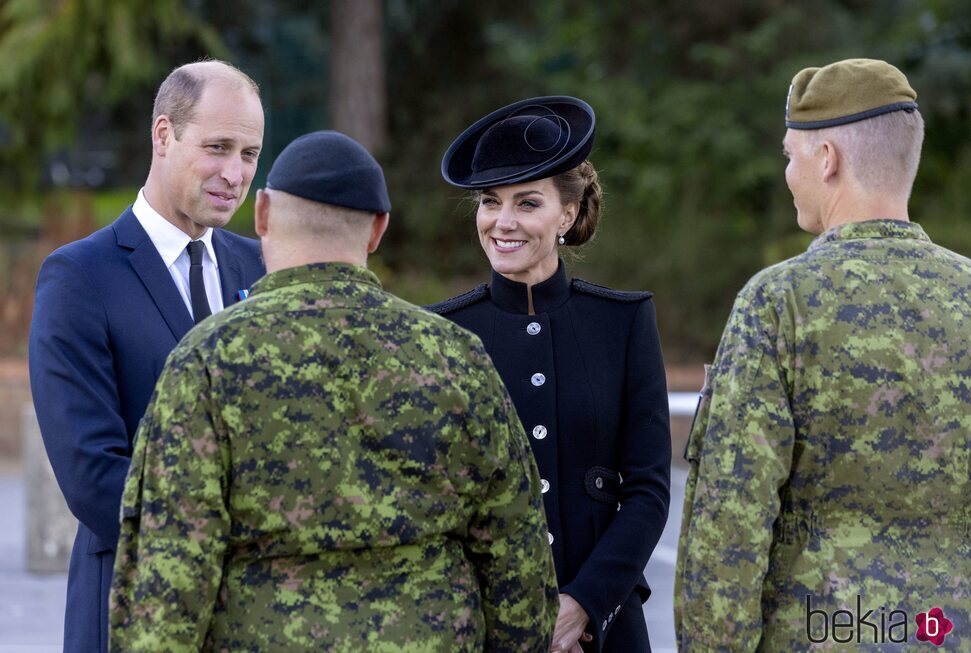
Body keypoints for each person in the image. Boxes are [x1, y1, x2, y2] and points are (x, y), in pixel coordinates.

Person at [109, 130, 559, 652]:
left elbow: (169, 580)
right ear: (378, 231)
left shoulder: (208, 361)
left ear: (262, 216)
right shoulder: (458, 357)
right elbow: (517, 561)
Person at [675, 58, 971, 651]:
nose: (788, 171)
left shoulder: (777, 303)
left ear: (828, 159)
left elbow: (730, 520)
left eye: (791, 154)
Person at [27, 60, 265, 652]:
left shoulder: (262, 268)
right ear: (163, 135)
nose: (235, 174)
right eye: (218, 148)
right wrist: (230, 548)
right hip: (133, 608)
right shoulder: (78, 277)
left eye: (250, 154)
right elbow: (93, 475)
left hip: (256, 620)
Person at [429, 96, 671, 653]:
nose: (502, 222)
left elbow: (648, 491)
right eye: (490, 202)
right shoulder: (440, 335)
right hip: (481, 628)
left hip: (604, 630)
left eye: (527, 203)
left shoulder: (624, 321)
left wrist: (584, 601)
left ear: (567, 213)